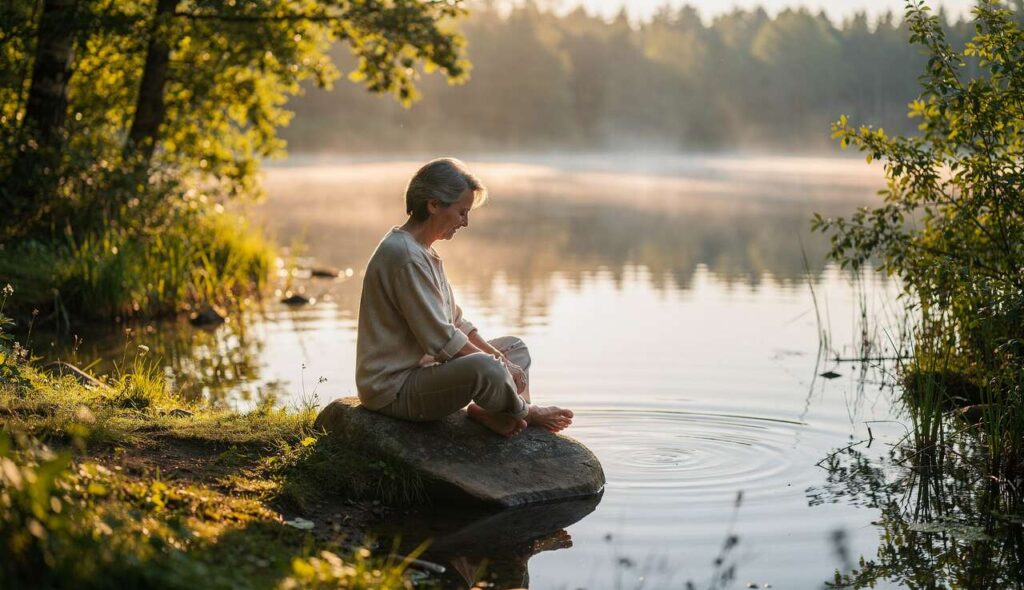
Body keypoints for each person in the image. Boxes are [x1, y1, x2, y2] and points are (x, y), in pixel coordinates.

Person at [355, 157, 573, 437]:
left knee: (514, 348)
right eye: (461, 212)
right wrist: (495, 364)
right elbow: (442, 340)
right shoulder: (405, 256)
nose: (466, 222)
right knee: (485, 366)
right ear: (433, 205)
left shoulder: (423, 251)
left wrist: (500, 357)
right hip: (393, 389)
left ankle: (502, 415)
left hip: (425, 371)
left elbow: (455, 321)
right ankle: (523, 412)